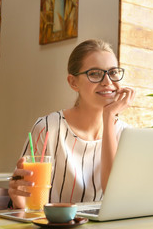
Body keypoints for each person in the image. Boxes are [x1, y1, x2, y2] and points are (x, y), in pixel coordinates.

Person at [8, 39, 135, 209]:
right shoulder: (48, 128)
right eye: (95, 74)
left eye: (113, 72)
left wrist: (109, 115)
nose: (108, 82)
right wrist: (20, 202)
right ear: (73, 82)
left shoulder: (126, 134)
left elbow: (115, 196)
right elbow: (26, 203)